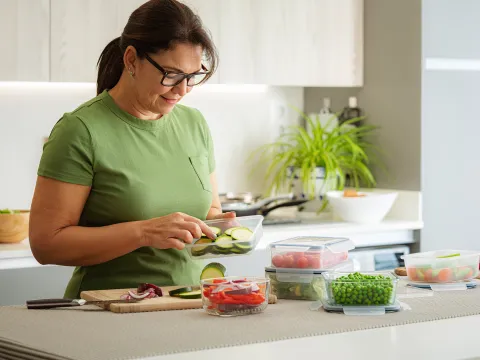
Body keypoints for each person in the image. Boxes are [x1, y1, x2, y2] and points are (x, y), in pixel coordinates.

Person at [29, 0, 235, 299]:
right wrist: (143, 233)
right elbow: (46, 244)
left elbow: (209, 211)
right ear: (131, 60)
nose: (183, 90)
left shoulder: (194, 124)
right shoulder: (80, 130)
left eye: (192, 76)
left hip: (189, 306)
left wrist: (221, 226)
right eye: (172, 74)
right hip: (109, 311)